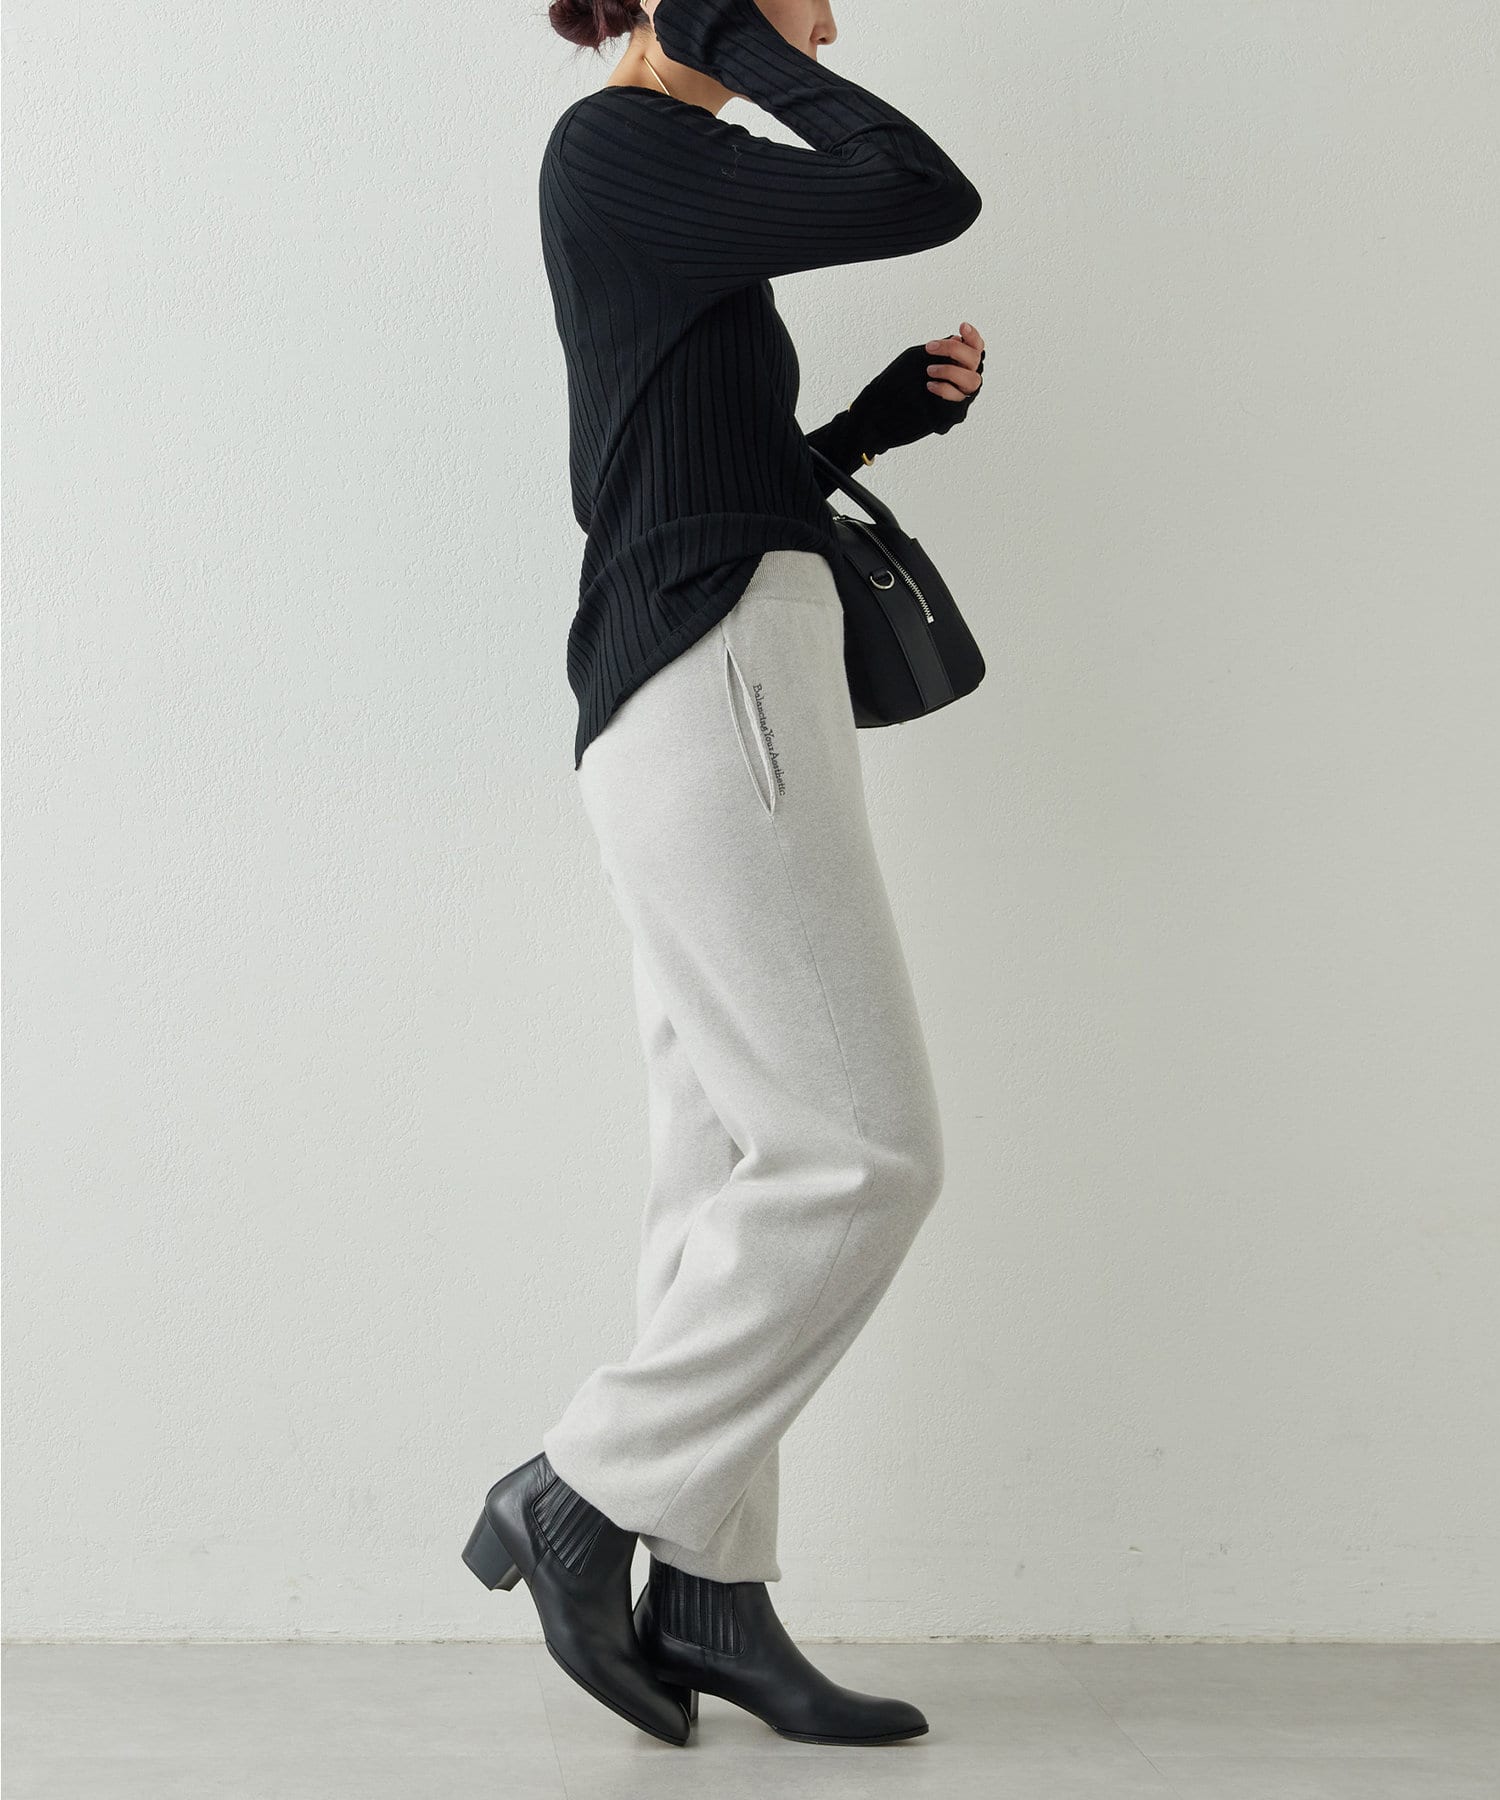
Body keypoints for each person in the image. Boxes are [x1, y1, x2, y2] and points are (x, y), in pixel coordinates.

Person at [462, 0, 986, 1748]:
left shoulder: (647, 169)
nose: (829, 19)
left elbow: (679, 463)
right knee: (865, 1153)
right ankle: (584, 1487)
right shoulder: (625, 146)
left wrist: (861, 434)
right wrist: (729, 40)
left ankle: (707, 1586)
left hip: (684, 673)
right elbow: (922, 188)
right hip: (718, 672)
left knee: (725, 1167)